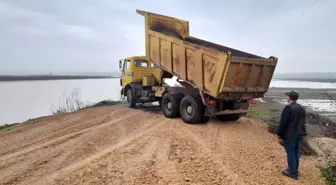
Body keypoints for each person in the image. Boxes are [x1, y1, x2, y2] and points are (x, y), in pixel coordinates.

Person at [276, 90, 307, 179]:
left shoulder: (288, 108)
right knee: (296, 152)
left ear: (289, 98)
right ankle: (295, 169)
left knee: (290, 152)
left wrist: (279, 133)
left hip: (290, 135)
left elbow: (283, 123)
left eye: (287, 96)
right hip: (300, 134)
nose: (287, 98)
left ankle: (292, 172)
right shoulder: (301, 108)